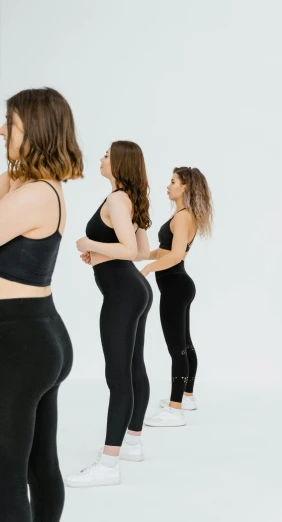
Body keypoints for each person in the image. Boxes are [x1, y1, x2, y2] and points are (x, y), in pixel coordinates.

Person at [0, 88, 83, 522]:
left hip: (21, 344)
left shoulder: (33, 195)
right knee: (38, 465)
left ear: (31, 131)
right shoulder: (33, 186)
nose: (1, 131)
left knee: (6, 475)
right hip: (37, 335)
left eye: (9, 124)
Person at [66, 141, 153, 488]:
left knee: (118, 377)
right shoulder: (127, 198)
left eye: (106, 154)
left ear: (119, 162)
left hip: (122, 294)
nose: (101, 158)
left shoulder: (118, 198)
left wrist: (89, 245)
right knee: (133, 369)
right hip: (135, 291)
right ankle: (132, 443)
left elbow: (131, 250)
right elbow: (141, 250)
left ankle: (108, 464)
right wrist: (101, 254)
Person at [141, 166, 213, 427]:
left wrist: (147, 269)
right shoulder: (184, 215)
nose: (168, 185)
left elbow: (176, 255)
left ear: (185, 187)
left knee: (177, 350)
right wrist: (137, 255)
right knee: (185, 344)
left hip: (175, 287)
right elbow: (164, 251)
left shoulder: (183, 217)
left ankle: (175, 409)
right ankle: (187, 396)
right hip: (179, 286)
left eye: (173, 181)